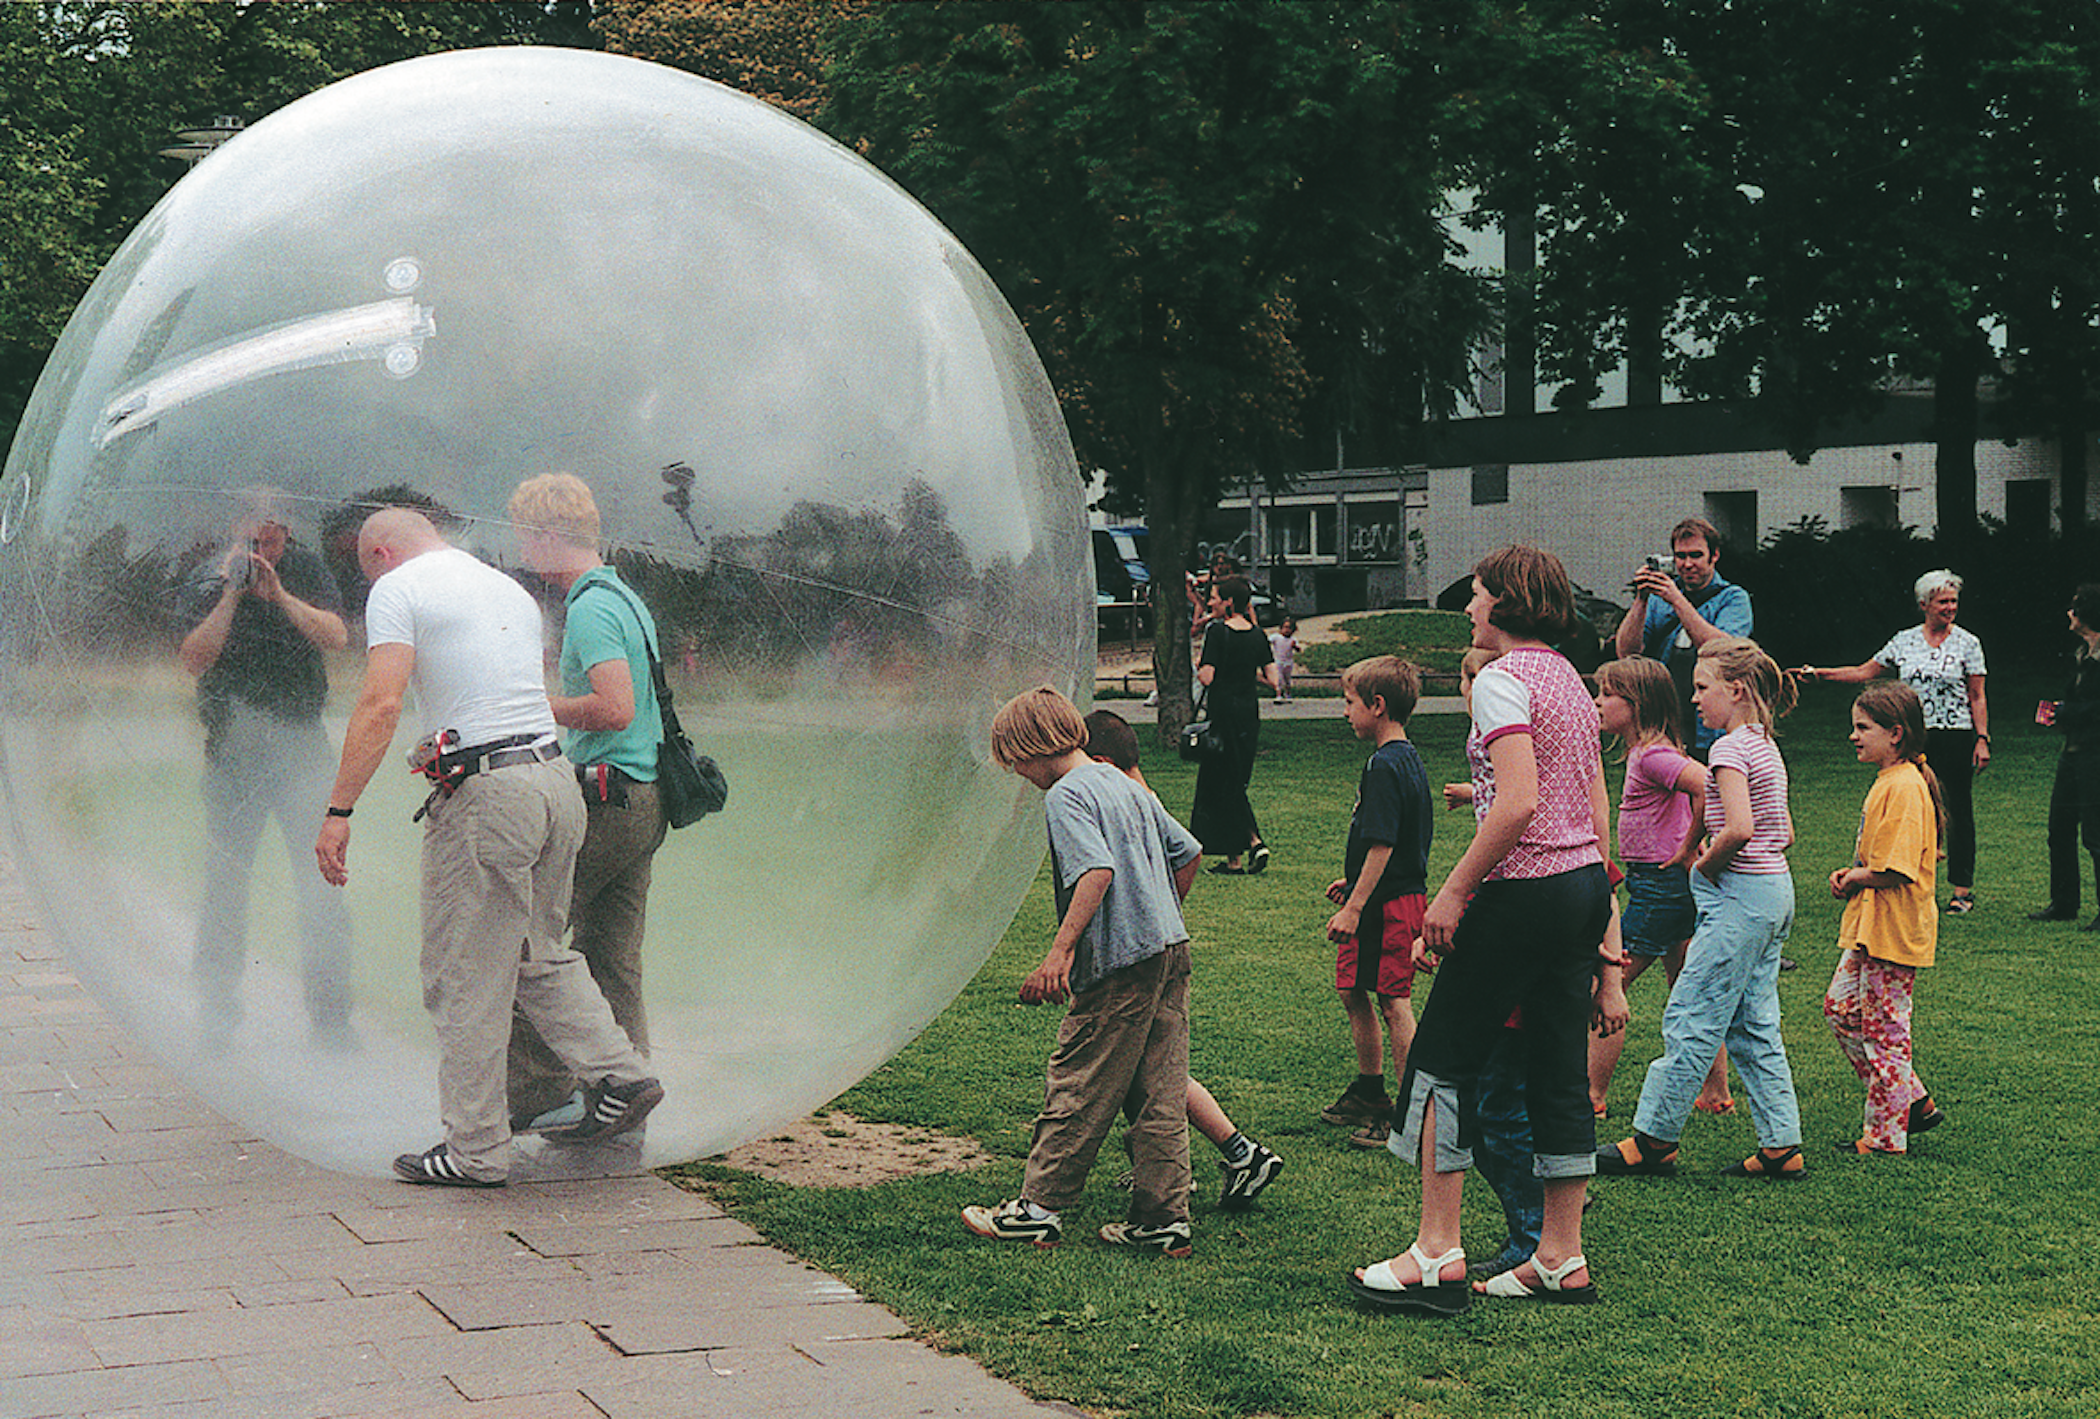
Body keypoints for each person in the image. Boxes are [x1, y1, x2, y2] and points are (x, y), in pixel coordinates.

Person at [313, 509, 662, 1187]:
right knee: (537, 952)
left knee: (465, 974)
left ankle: (473, 1150)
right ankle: (623, 1071)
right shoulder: (507, 588)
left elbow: (381, 702)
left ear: (382, 553)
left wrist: (338, 810)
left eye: (368, 571)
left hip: (489, 796)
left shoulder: (399, 587)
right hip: (555, 784)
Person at [1348, 546, 1611, 1314]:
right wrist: (1604, 914)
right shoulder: (1568, 676)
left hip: (1522, 888)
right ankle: (1560, 1256)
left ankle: (1436, 1253)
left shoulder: (1500, 680)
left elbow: (1519, 799)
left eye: (1480, 594)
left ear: (1509, 602)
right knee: (1559, 1068)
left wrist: (1454, 891)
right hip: (1582, 885)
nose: (1470, 606)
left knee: (1440, 1062)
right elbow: (1593, 806)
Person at [964, 688, 1203, 1255]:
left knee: (1079, 1078)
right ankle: (1163, 1218)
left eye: (1016, 760)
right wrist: (1157, 911)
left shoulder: (1068, 794)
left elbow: (1095, 871)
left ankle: (1038, 1209)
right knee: (1159, 1089)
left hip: (1121, 964)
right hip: (1169, 951)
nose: (1019, 774)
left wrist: (1060, 951)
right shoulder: (1121, 779)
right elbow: (1187, 851)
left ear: (1032, 745)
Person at [1598, 636, 1807, 1182]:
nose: (1694, 700)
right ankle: (1782, 1144)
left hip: (1740, 896)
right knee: (1754, 1021)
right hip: (1773, 893)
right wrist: (1703, 848)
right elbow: (1755, 820)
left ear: (1736, 690)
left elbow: (1738, 826)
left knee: (1691, 1015)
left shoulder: (1730, 749)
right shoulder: (1763, 742)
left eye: (1702, 687)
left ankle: (1654, 1139)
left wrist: (1703, 866)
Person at [505, 473, 670, 1134]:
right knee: (612, 956)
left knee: (531, 942)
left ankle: (535, 1091)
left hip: (607, 799)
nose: (523, 552)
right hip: (644, 799)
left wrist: (534, 705)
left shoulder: (592, 607)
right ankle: (626, 1092)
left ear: (546, 534)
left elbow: (615, 706)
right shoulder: (623, 595)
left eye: (524, 537)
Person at [1083, 709, 1283, 1211]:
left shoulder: (1134, 800)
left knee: (1151, 1070)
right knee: (1148, 1068)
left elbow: (1188, 852)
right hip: (1148, 951)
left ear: (1102, 762)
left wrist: (1159, 918)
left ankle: (1236, 1154)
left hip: (1142, 956)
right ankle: (1196, 1162)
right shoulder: (1135, 795)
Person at [179, 490, 355, 1048]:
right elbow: (192, 657)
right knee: (225, 884)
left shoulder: (305, 569)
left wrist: (279, 595)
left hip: (301, 747)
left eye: (274, 536)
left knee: (321, 883)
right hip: (232, 753)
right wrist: (232, 596)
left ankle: (332, 1021)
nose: (265, 548)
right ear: (237, 529)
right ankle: (216, 1012)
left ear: (286, 531)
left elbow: (338, 636)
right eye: (255, 538)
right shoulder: (213, 575)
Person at [1586, 657, 1733, 1118]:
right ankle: (1715, 1092)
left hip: (1660, 886)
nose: (1597, 703)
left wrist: (1691, 846)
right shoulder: (1646, 753)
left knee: (1606, 984)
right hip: (1668, 885)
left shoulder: (1653, 756)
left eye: (1607, 694)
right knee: (1689, 990)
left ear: (1637, 704)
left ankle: (1590, 1096)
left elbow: (1709, 785)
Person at [1794, 569, 1989, 914]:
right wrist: (1821, 674)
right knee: (1916, 807)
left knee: (1957, 808)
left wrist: (1982, 738)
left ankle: (1961, 889)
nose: (1950, 607)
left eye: (1954, 601)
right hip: (1914, 735)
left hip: (1955, 734)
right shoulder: (1904, 641)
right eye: (1943, 601)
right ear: (1924, 604)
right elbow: (1865, 671)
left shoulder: (1968, 643)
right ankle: (1913, 878)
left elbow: (1977, 696)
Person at [1825, 682, 1947, 1155]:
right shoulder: (1890, 781)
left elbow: (1895, 869)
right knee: (1841, 1011)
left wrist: (1855, 876)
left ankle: (1884, 1136)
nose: (1854, 736)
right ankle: (1911, 1099)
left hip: (1892, 931)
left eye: (1863, 728)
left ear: (1895, 734)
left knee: (1885, 1032)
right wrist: (1854, 878)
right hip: (1868, 927)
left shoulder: (1905, 787)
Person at [1319, 656, 1430, 1149]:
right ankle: (1370, 1092)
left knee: (1393, 1001)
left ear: (1377, 706)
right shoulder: (1396, 759)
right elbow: (1386, 843)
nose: (1345, 712)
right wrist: (1354, 884)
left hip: (1391, 907)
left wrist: (1355, 906)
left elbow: (1386, 845)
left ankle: (1408, 1113)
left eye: (1349, 702)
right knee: (1352, 990)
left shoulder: (1388, 765)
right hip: (1376, 898)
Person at [1613, 516, 1753, 760]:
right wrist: (1641, 599)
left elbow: (1723, 650)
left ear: (1714, 556)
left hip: (1712, 724)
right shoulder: (1657, 599)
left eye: (1696, 555)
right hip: (1663, 721)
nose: (1688, 564)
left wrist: (1677, 600)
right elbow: (1627, 653)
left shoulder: (1733, 598)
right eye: (1681, 556)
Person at [1189, 574, 1275, 875]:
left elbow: (1207, 678)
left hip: (1223, 713)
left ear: (1228, 602)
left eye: (1214, 597)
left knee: (1225, 782)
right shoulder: (1257, 635)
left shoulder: (1216, 631)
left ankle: (1253, 842)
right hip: (1248, 715)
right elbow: (1273, 680)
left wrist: (1203, 663)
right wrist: (1243, 671)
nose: (1210, 601)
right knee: (1229, 781)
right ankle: (1234, 859)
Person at [2029, 584, 2100, 927]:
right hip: (2073, 751)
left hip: (2095, 755)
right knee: (2059, 827)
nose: (2069, 614)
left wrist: (2068, 713)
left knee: (2096, 834)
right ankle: (2064, 902)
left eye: (2074, 608)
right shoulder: (2082, 654)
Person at [1269, 616, 1300, 703]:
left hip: (1288, 662)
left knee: (1287, 679)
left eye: (1289, 628)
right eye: (1285, 627)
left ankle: (1288, 694)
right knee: (1278, 678)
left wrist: (1295, 646)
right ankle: (1278, 694)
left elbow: (1298, 649)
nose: (1287, 630)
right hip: (1278, 661)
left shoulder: (1292, 639)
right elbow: (1268, 641)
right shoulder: (1276, 637)